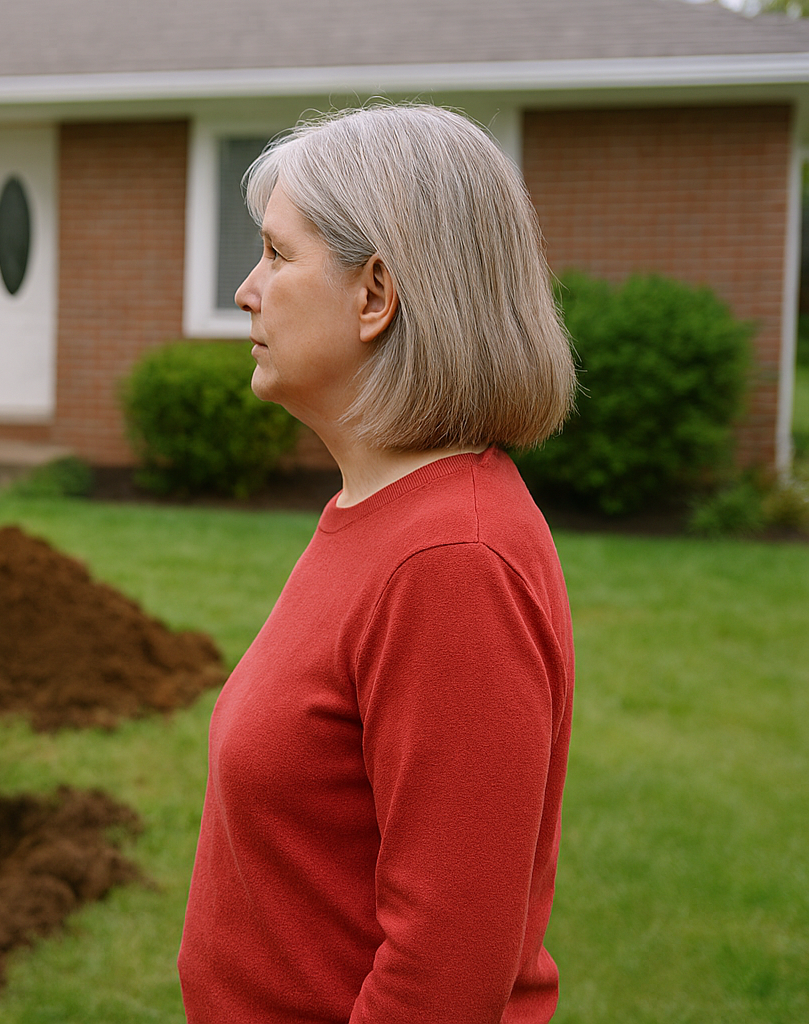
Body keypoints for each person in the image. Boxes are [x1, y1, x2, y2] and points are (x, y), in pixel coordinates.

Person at [178, 105, 578, 1023]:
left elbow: (444, 975)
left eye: (278, 256)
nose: (247, 288)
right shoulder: (381, 516)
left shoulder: (450, 562)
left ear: (375, 294)